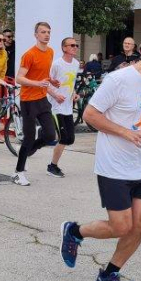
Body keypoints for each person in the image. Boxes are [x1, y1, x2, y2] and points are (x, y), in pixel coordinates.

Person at [60, 34, 141, 281]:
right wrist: (125, 133)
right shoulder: (118, 79)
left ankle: (109, 274)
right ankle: (74, 230)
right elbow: (91, 115)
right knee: (121, 226)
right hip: (113, 165)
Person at [12, 22, 60, 186]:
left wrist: (50, 81)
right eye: (43, 32)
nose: (46, 35)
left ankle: (30, 148)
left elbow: (43, 74)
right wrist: (37, 83)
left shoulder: (51, 52)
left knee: (49, 136)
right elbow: (19, 78)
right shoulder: (29, 54)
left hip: (42, 99)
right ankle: (19, 173)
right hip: (28, 101)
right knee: (29, 136)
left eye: (48, 32)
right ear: (36, 35)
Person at [46, 37, 80, 178]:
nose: (75, 47)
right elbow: (45, 83)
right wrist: (55, 95)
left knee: (70, 139)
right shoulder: (57, 64)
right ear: (64, 48)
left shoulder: (76, 64)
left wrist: (75, 94)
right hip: (56, 106)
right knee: (64, 137)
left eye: (76, 45)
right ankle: (52, 166)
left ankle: (33, 145)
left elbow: (70, 83)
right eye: (72, 45)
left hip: (67, 106)